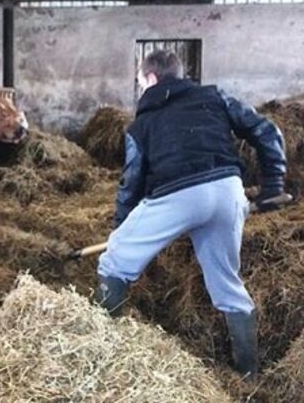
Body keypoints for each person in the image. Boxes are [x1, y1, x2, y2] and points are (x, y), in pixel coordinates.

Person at [96, 49, 287, 379]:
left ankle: (99, 351)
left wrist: (121, 229)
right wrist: (273, 184)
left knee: (114, 260)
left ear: (152, 78)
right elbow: (266, 130)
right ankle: (249, 376)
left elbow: (132, 181)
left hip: (176, 194)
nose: (142, 88)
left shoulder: (142, 125)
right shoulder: (214, 97)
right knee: (228, 285)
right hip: (229, 191)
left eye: (141, 81)